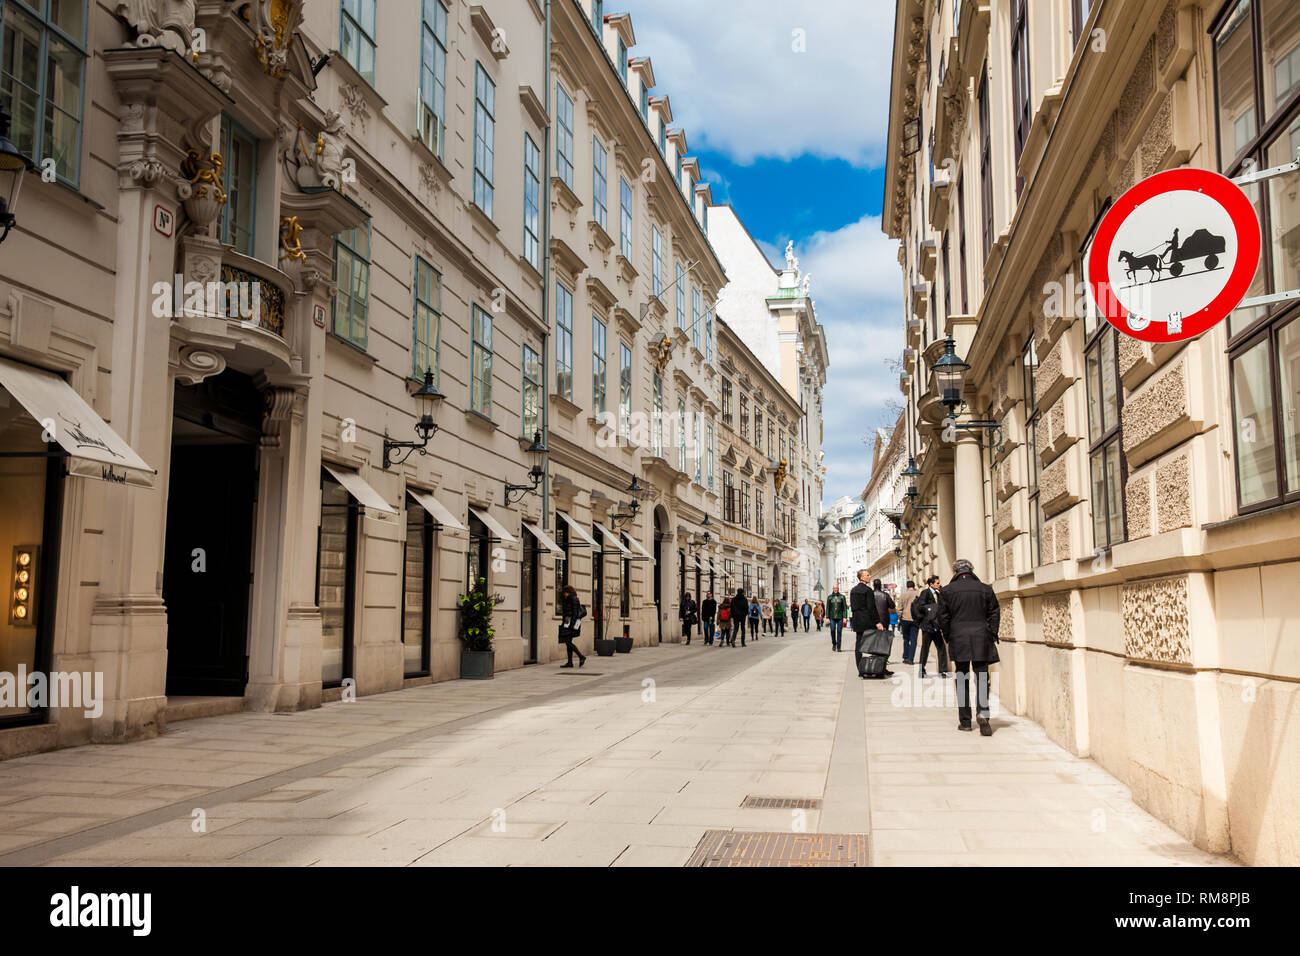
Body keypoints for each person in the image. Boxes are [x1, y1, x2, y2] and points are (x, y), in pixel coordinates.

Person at [936, 558, 1001, 735]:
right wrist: (992, 633)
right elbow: (994, 613)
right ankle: (983, 713)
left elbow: (943, 617)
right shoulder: (985, 589)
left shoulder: (947, 591)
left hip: (959, 638)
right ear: (971, 570)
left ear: (955, 572)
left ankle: (965, 721)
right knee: (981, 678)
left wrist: (948, 636)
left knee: (962, 679)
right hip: (982, 637)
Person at [849, 570, 887, 677]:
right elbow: (871, 608)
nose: (870, 576)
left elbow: (853, 607)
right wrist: (877, 622)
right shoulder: (868, 590)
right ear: (861, 577)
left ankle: (860, 669)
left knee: (858, 646)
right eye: (867, 575)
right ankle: (875, 667)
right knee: (875, 645)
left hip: (858, 621)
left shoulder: (853, 590)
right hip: (868, 621)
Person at [914, 575, 950, 679]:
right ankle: (921, 670)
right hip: (927, 626)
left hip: (936, 626)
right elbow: (920, 606)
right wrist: (930, 609)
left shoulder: (939, 593)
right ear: (931, 584)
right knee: (925, 648)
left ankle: (943, 670)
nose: (939, 584)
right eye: (937, 583)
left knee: (941, 647)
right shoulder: (925, 593)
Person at [558, 584, 587, 668]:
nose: (564, 594)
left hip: (571, 622)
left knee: (567, 641)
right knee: (568, 642)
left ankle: (581, 656)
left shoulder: (573, 599)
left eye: (565, 593)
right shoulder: (569, 599)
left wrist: (572, 624)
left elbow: (575, 612)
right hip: (568, 621)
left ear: (568, 592)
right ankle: (570, 662)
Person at [897, 580, 920, 665]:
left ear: (907, 587)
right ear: (914, 586)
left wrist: (900, 618)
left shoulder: (903, 595)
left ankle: (905, 657)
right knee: (913, 640)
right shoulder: (918, 594)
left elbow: (899, 609)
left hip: (905, 618)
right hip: (915, 619)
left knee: (906, 639)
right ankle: (911, 659)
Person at [825, 584, 848, 652]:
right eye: (834, 588)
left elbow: (844, 608)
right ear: (833, 588)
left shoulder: (842, 597)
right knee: (832, 630)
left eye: (837, 588)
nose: (836, 589)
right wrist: (827, 617)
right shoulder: (829, 597)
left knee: (839, 631)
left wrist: (845, 617)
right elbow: (827, 608)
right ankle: (834, 643)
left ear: (838, 589)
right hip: (832, 617)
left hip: (840, 617)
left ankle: (839, 647)